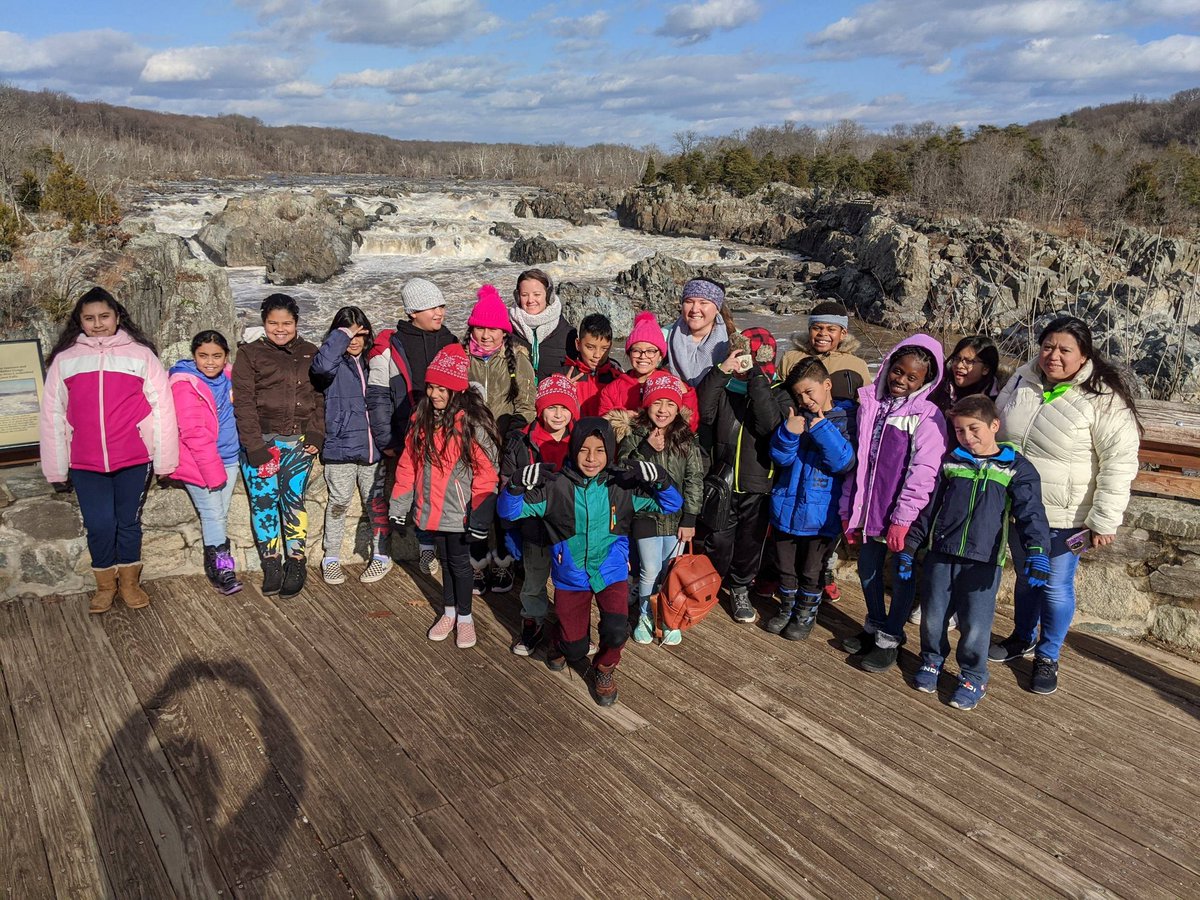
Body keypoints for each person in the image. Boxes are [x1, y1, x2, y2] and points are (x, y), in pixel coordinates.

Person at [989, 316, 1141, 695]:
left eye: (1064, 350)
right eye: (1047, 347)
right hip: (1020, 508)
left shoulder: (1102, 398)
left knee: (1056, 586)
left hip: (1066, 517)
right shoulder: (1023, 379)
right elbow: (999, 428)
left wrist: (1104, 521)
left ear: (1084, 355)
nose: (1052, 356)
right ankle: (1022, 636)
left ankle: (1048, 655)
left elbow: (1119, 462)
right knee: (1027, 578)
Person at [499, 417, 681, 706]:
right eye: (584, 449)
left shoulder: (621, 485)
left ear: (610, 451)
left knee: (616, 630)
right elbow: (509, 513)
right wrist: (515, 486)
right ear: (573, 450)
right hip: (571, 575)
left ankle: (605, 668)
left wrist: (661, 478)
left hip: (611, 571)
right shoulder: (555, 486)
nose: (592, 458)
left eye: (599, 450)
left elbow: (672, 504)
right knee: (574, 649)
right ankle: (562, 642)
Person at [900, 395, 1052, 710]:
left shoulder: (1015, 468)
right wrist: (911, 546)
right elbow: (929, 509)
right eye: (959, 431)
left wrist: (1038, 551)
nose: (967, 437)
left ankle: (973, 674)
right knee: (933, 615)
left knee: (976, 623)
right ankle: (932, 659)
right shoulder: (951, 462)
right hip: (942, 553)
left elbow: (1031, 514)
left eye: (974, 428)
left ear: (994, 425)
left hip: (984, 561)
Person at [40, 286, 178, 613]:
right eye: (89, 318)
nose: (98, 323)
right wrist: (57, 468)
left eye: (104, 316)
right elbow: (53, 416)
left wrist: (165, 460)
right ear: (79, 321)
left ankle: (129, 583)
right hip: (85, 462)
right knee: (100, 523)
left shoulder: (141, 355)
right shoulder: (66, 360)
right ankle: (105, 585)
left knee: (128, 522)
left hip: (133, 457)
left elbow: (162, 409)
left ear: (117, 317)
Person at [840, 334, 947, 673]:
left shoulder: (927, 416)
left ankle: (891, 636)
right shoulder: (871, 404)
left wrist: (903, 518)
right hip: (870, 509)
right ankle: (874, 623)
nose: (901, 380)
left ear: (926, 381)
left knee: (902, 574)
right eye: (897, 371)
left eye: (911, 377)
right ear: (887, 367)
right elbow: (857, 464)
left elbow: (924, 471)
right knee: (867, 568)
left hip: (903, 513)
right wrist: (849, 510)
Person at [389, 343, 500, 650]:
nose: (434, 394)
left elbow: (487, 473)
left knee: (461, 565)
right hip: (434, 508)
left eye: (442, 389)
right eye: (431, 387)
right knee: (446, 561)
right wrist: (399, 503)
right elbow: (408, 463)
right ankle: (449, 613)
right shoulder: (421, 418)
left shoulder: (471, 423)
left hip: (461, 510)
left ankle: (465, 618)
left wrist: (480, 512)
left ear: (457, 390)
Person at [232, 294, 325, 599]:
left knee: (293, 500)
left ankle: (296, 562)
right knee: (263, 503)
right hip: (261, 442)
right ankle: (271, 563)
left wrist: (315, 434)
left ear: (297, 323)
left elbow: (321, 398)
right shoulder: (250, 354)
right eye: (273, 323)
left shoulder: (312, 353)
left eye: (287, 323)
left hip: (297, 443)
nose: (280, 329)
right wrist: (254, 445)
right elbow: (243, 402)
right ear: (264, 323)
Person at [367, 277, 457, 578]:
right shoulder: (391, 346)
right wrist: (386, 437)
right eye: (432, 306)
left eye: (441, 305)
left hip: (448, 433)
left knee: (447, 493)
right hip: (408, 432)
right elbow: (378, 395)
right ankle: (425, 546)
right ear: (413, 311)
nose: (439, 312)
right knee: (418, 491)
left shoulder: (450, 341)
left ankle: (449, 548)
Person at [697, 328, 783, 624]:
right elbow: (703, 411)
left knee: (750, 542)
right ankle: (712, 581)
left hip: (757, 483)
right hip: (722, 479)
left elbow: (769, 424)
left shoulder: (777, 391)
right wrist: (722, 371)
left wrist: (757, 379)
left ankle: (740, 587)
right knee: (718, 540)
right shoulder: (723, 386)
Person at [766, 357, 856, 640]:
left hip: (821, 515)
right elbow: (780, 457)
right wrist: (788, 434)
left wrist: (820, 427)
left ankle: (806, 612)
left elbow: (843, 462)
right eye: (799, 395)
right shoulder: (796, 418)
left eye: (809, 392)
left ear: (827, 385)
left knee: (811, 569)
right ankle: (788, 606)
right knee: (785, 565)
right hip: (787, 506)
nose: (804, 400)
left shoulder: (845, 421)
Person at [612, 371, 704, 647]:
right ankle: (644, 615)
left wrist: (690, 517)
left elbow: (694, 479)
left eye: (670, 404)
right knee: (650, 569)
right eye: (656, 403)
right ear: (646, 404)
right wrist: (647, 449)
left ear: (678, 408)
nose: (663, 410)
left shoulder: (687, 439)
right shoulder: (635, 433)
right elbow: (624, 472)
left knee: (670, 571)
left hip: (676, 519)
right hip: (645, 514)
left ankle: (668, 617)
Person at [499, 373, 579, 657]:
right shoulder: (522, 442)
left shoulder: (580, 441)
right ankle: (532, 622)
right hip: (533, 525)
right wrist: (510, 525)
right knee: (534, 579)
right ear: (539, 408)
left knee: (570, 578)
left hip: (570, 527)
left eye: (564, 407)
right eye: (551, 407)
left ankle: (572, 626)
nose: (558, 414)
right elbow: (507, 482)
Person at [464, 283, 536, 593]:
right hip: (469, 448)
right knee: (475, 511)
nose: (486, 334)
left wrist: (513, 431)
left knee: (502, 514)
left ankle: (504, 565)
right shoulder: (460, 357)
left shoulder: (516, 360)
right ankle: (477, 565)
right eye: (480, 327)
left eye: (493, 328)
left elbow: (528, 405)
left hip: (505, 448)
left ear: (504, 331)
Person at [312, 306, 391, 586]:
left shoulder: (375, 361)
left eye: (360, 332)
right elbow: (320, 367)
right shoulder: (331, 362)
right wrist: (342, 336)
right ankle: (330, 557)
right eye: (349, 332)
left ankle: (382, 555)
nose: (355, 339)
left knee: (376, 504)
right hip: (339, 448)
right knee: (338, 503)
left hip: (373, 449)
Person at [169, 330, 242, 595]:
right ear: (194, 356)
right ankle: (223, 569)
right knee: (213, 514)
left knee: (219, 515)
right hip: (200, 462)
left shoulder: (231, 377)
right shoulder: (184, 384)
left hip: (230, 456)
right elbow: (192, 434)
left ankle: (215, 564)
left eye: (216, 356)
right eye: (202, 356)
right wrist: (213, 472)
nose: (209, 362)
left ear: (226, 357)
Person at [596, 311, 700, 429]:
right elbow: (604, 428)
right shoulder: (612, 390)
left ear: (660, 356)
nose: (643, 356)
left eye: (651, 351)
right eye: (636, 350)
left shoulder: (673, 384)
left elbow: (690, 425)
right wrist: (623, 417)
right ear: (628, 354)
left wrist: (686, 395)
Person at [777, 301, 872, 401]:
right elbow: (778, 396)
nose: (822, 333)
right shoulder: (790, 358)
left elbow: (867, 405)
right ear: (809, 330)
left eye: (831, 329)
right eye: (817, 328)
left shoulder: (857, 365)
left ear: (843, 334)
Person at [508, 268, 577, 381]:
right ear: (517, 297)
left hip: (554, 396)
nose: (530, 300)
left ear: (548, 295)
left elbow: (583, 368)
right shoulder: (507, 331)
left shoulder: (568, 333)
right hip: (518, 397)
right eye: (524, 295)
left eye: (537, 294)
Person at [667, 278, 731, 388]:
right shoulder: (664, 336)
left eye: (703, 303)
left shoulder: (732, 340)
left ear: (717, 309)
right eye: (689, 302)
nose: (695, 309)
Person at [562, 313, 622, 416]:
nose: (597, 355)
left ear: (610, 346)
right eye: (590, 347)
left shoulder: (617, 377)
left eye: (604, 348)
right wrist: (562, 392)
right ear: (578, 344)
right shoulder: (565, 376)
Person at [930, 335, 1001, 412]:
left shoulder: (996, 403)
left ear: (985, 369)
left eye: (968, 361)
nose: (959, 365)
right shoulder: (938, 386)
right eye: (957, 358)